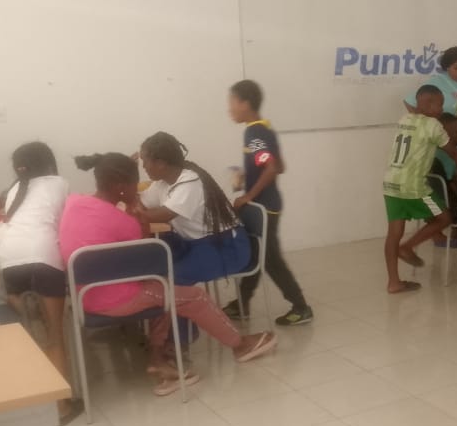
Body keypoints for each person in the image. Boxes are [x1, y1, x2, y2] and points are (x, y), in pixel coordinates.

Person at [61, 153, 276, 395]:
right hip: (114, 298)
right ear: (121, 187)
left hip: (83, 295)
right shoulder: (121, 221)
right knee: (193, 297)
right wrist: (136, 214)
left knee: (167, 286)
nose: (137, 189)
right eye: (134, 184)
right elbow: (145, 251)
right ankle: (241, 345)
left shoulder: (73, 203)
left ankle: (159, 358)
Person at [384, 84, 457, 293]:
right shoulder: (433, 126)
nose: (442, 109)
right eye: (440, 104)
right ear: (427, 104)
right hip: (414, 187)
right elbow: (456, 153)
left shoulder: (405, 119)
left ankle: (393, 282)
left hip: (391, 184)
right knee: (444, 218)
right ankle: (407, 247)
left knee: (393, 233)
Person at [225, 79, 313, 326]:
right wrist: (247, 174)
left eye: (232, 102)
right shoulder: (263, 128)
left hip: (265, 207)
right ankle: (241, 304)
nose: (229, 109)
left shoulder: (254, 132)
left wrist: (248, 195)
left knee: (270, 259)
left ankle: (301, 307)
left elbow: (272, 167)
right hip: (265, 204)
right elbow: (278, 165)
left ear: (245, 103)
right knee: (256, 253)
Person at [0, 142, 70, 381]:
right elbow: (64, 226)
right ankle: (62, 400)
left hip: (8, 260)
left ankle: (28, 313)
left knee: (31, 329)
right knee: (56, 336)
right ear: (48, 162)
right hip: (44, 257)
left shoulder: (14, 190)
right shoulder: (59, 184)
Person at [136, 132, 250, 286]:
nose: (143, 167)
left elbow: (163, 215)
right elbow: (141, 203)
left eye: (145, 161)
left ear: (161, 163)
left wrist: (138, 211)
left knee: (167, 280)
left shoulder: (190, 182)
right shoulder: (162, 183)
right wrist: (137, 206)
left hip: (225, 246)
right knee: (150, 265)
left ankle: (189, 302)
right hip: (194, 242)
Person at [403, 45, 457, 153]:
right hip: (442, 146)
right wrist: (426, 126)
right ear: (447, 67)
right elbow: (409, 102)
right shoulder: (436, 82)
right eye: (456, 68)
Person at [430, 113, 457, 249]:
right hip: (447, 201)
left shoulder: (432, 152)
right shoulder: (450, 156)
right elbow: (451, 182)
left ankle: (437, 233)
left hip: (431, 199)